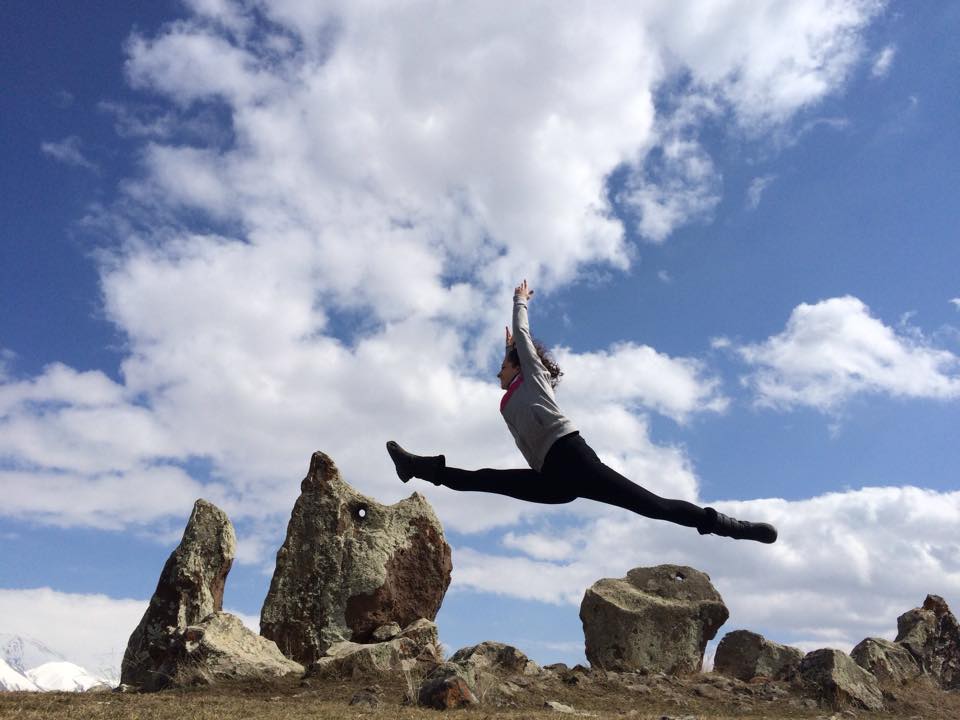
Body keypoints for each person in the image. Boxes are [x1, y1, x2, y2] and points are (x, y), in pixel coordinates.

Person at [386, 280, 777, 544]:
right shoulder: (509, 398)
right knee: (483, 478)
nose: (498, 370)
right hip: (550, 479)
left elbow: (523, 341)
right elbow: (516, 348)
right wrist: (510, 346)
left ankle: (730, 526)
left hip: (573, 460)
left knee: (654, 506)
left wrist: (518, 304)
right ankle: (415, 467)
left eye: (504, 364)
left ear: (520, 365)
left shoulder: (533, 378)